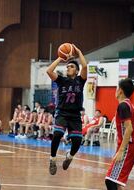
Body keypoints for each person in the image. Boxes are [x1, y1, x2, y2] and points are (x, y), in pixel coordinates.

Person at [46, 44, 87, 175]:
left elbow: (85, 66)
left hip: (75, 115)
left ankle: (69, 157)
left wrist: (79, 51)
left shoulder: (81, 81)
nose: (68, 68)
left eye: (72, 66)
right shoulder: (62, 80)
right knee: (57, 135)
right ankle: (52, 159)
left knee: (77, 141)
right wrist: (60, 58)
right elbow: (49, 71)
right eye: (67, 66)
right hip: (62, 113)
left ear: (76, 70)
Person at [105, 78, 134, 190]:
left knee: (110, 181)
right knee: (117, 182)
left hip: (127, 148)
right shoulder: (130, 105)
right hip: (131, 147)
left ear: (119, 90)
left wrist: (121, 150)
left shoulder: (123, 106)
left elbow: (129, 129)